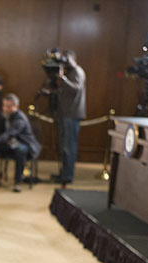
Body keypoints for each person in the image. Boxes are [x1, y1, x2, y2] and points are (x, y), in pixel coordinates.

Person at [0, 93, 41, 192]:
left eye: (9, 106)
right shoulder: (3, 116)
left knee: (20, 150)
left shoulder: (20, 118)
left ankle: (18, 181)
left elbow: (9, 134)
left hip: (25, 145)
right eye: (4, 106)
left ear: (16, 106)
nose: (5, 109)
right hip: (9, 144)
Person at [52, 50, 86, 185]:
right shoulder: (70, 72)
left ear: (74, 58)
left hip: (72, 114)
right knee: (63, 146)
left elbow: (76, 88)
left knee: (69, 147)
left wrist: (63, 79)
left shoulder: (77, 71)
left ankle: (67, 176)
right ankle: (63, 173)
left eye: (67, 59)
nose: (65, 62)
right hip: (65, 113)